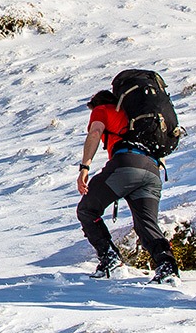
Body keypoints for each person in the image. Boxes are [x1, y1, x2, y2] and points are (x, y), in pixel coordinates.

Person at [76, 89, 179, 282]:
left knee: (87, 210)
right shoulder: (135, 118)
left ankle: (111, 261)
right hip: (152, 170)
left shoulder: (103, 109)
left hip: (126, 165)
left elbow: (96, 131)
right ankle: (168, 268)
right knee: (146, 224)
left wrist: (84, 168)